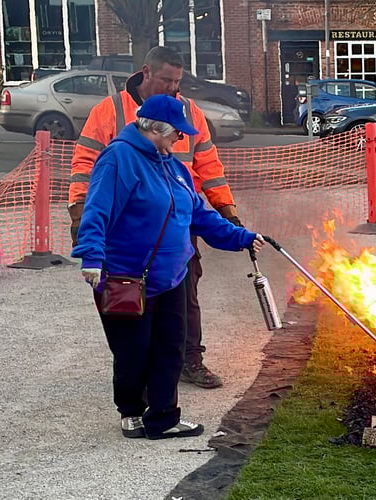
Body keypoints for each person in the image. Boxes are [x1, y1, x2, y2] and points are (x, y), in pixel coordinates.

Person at [72, 94, 265, 439]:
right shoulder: (118, 159)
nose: (182, 140)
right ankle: (131, 412)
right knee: (133, 351)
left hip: (173, 275)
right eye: (178, 134)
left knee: (171, 347)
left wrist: (241, 237)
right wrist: (91, 255)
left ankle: (163, 417)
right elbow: (96, 210)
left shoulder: (172, 165)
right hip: (127, 276)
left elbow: (198, 215)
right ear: (157, 130)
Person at [69, 46, 237, 389]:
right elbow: (85, 164)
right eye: (166, 80)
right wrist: (80, 216)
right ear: (146, 72)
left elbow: (209, 167)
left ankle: (190, 359)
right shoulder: (110, 111)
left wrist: (227, 212)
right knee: (130, 299)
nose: (173, 88)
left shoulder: (189, 112)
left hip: (179, 217)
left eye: (178, 81)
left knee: (184, 293)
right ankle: (138, 371)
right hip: (129, 226)